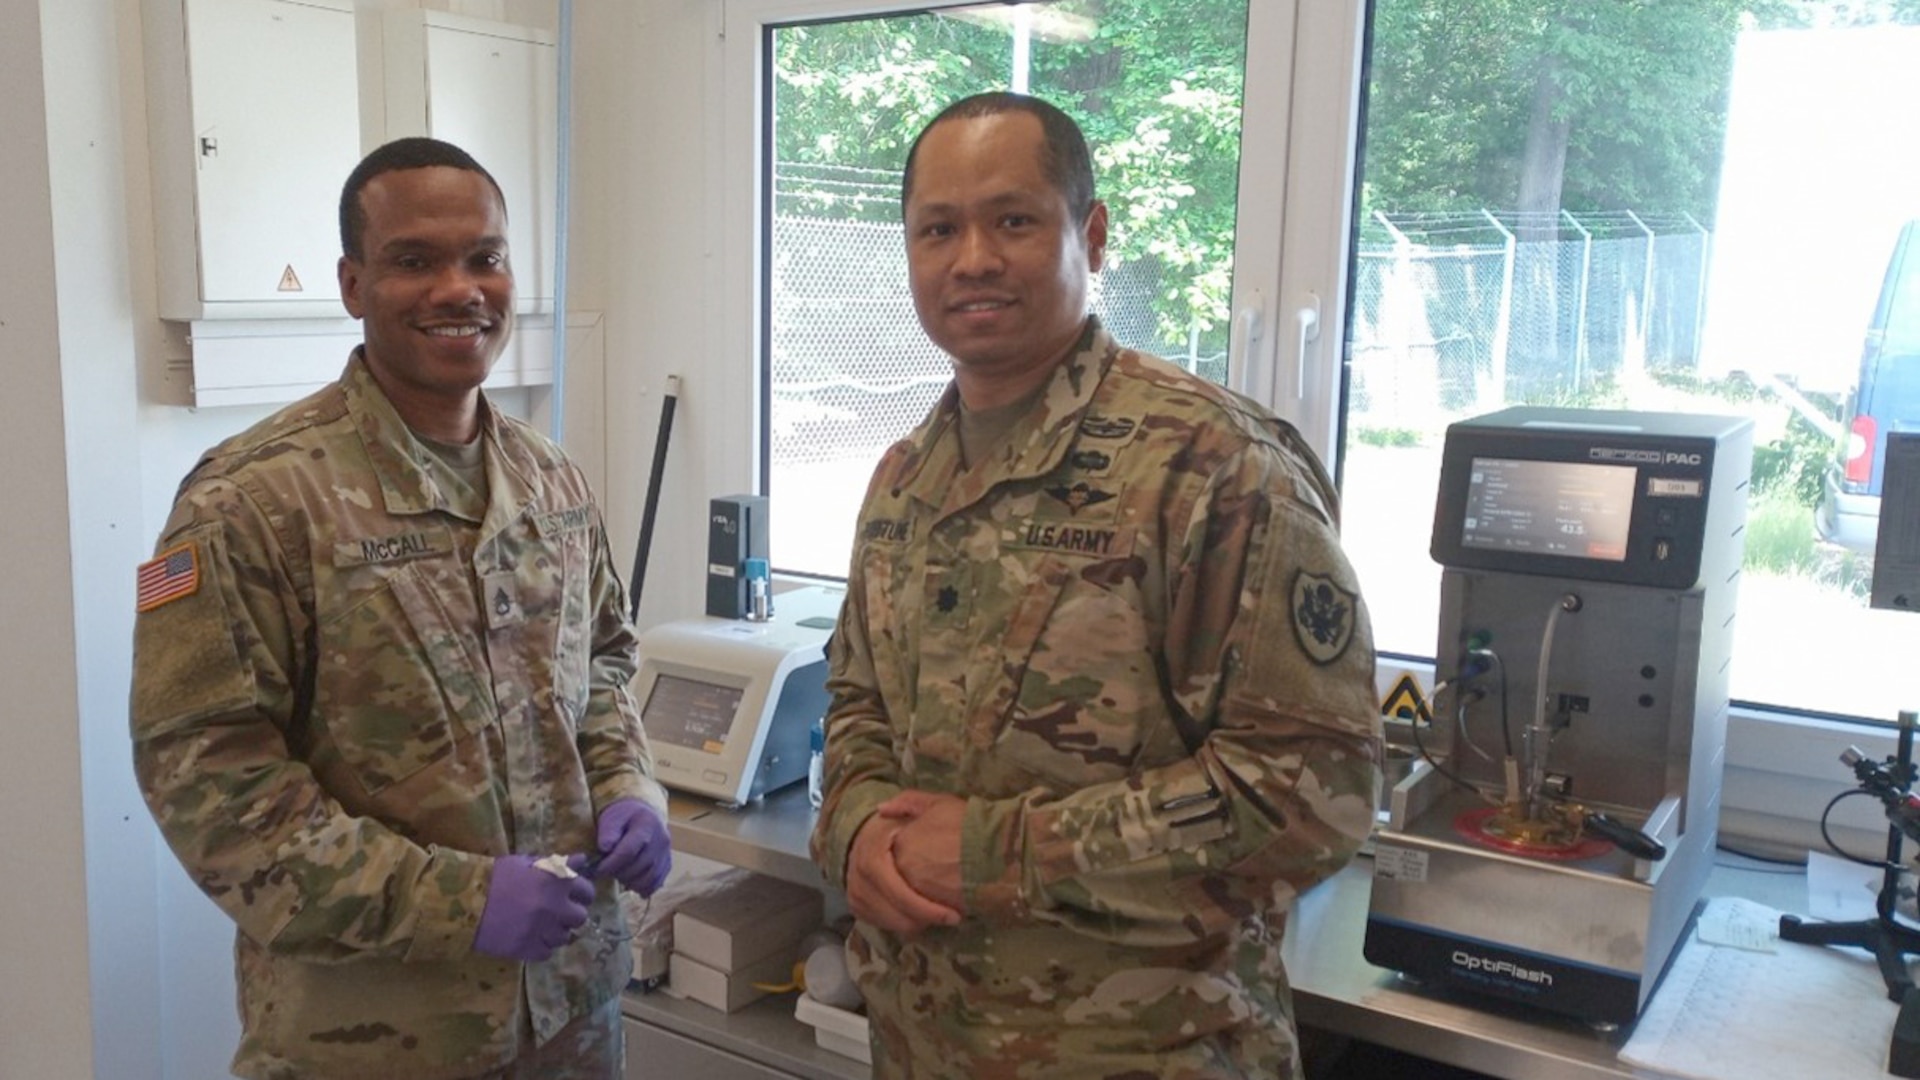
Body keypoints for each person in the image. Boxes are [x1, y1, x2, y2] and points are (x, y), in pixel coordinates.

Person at [808, 92, 1383, 1079]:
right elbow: (859, 702)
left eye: (1014, 220)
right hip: (924, 1044)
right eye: (938, 229)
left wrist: (1003, 851)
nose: (974, 257)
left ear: (1093, 233)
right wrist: (855, 820)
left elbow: (1313, 797)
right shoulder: (905, 480)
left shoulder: (1213, 466)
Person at [130, 137, 671, 1080]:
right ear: (352, 283)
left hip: (572, 1020)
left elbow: (607, 668)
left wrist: (631, 788)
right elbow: (209, 786)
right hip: (371, 1041)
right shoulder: (253, 501)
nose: (459, 288)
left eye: (485, 259)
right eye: (415, 261)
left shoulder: (553, 483)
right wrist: (459, 904)